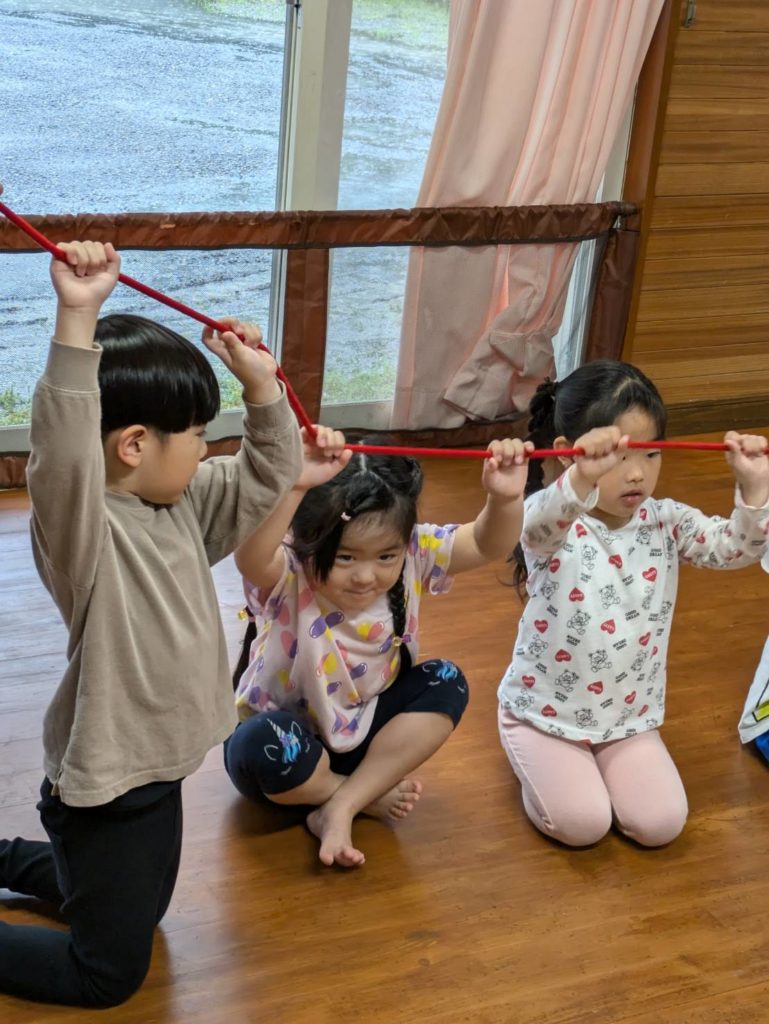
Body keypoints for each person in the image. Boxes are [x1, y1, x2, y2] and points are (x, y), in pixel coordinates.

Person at [0, 240, 302, 1007]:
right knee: (107, 974)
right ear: (134, 444)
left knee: (137, 909)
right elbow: (63, 449)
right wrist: (77, 315)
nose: (208, 447)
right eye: (198, 433)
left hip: (160, 771)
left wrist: (260, 386)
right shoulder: (85, 528)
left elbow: (271, 470)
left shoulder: (184, 505)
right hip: (108, 789)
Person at [226, 426, 530, 868]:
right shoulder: (291, 568)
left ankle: (342, 803)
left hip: (364, 740)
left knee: (447, 680)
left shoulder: (414, 552)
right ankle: (353, 796)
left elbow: (487, 543)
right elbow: (251, 558)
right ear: (309, 541)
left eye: (386, 557)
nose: (366, 576)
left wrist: (504, 498)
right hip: (291, 751)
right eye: (345, 557)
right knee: (258, 742)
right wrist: (295, 486)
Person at [498, 360, 769, 848]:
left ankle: (597, 763)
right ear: (568, 453)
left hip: (625, 717)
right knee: (583, 825)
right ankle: (524, 741)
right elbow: (534, 526)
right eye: (619, 456)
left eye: (651, 452)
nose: (638, 473)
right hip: (545, 712)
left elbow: (732, 549)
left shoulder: (665, 520)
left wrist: (754, 490)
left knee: (661, 824)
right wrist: (581, 479)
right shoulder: (556, 521)